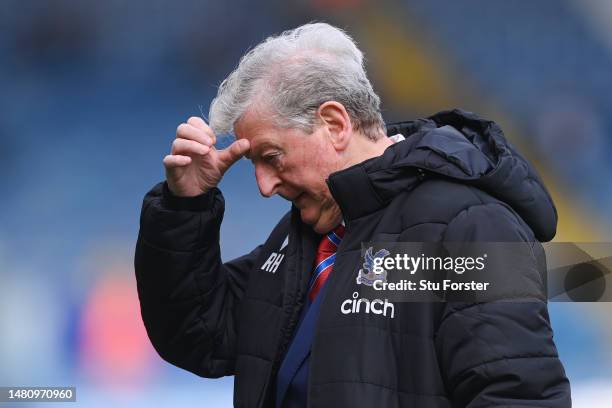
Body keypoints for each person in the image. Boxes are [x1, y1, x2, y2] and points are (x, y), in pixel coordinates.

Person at [135, 23, 571, 407]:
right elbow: (201, 335)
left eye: (271, 157)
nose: (264, 187)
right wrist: (185, 206)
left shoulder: (470, 224)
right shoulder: (307, 237)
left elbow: (517, 395)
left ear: (335, 124)